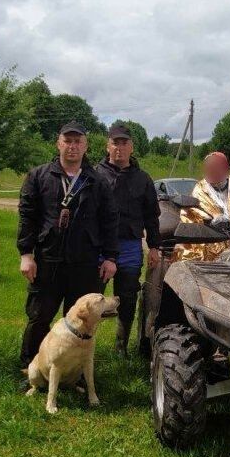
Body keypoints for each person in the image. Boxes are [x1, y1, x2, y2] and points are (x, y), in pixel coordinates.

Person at [17, 121, 119, 368]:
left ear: (85, 146)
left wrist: (110, 257)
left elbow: (109, 220)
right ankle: (32, 367)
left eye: (78, 142)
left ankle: (71, 372)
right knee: (40, 317)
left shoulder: (97, 180)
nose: (72, 146)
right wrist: (26, 255)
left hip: (85, 262)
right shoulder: (39, 176)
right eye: (67, 141)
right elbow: (27, 216)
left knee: (79, 321)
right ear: (58, 143)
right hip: (48, 258)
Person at [96, 123, 161, 356]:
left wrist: (154, 246)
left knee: (128, 296)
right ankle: (84, 345)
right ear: (108, 146)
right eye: (115, 143)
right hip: (99, 247)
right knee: (92, 297)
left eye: (124, 143)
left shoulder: (143, 179)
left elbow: (152, 216)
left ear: (131, 147)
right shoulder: (95, 175)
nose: (119, 148)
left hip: (130, 246)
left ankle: (120, 346)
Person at [175, 151, 230, 262]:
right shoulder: (199, 190)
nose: (211, 171)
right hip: (208, 243)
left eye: (215, 167)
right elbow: (193, 217)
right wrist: (215, 222)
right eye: (208, 168)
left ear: (226, 169)